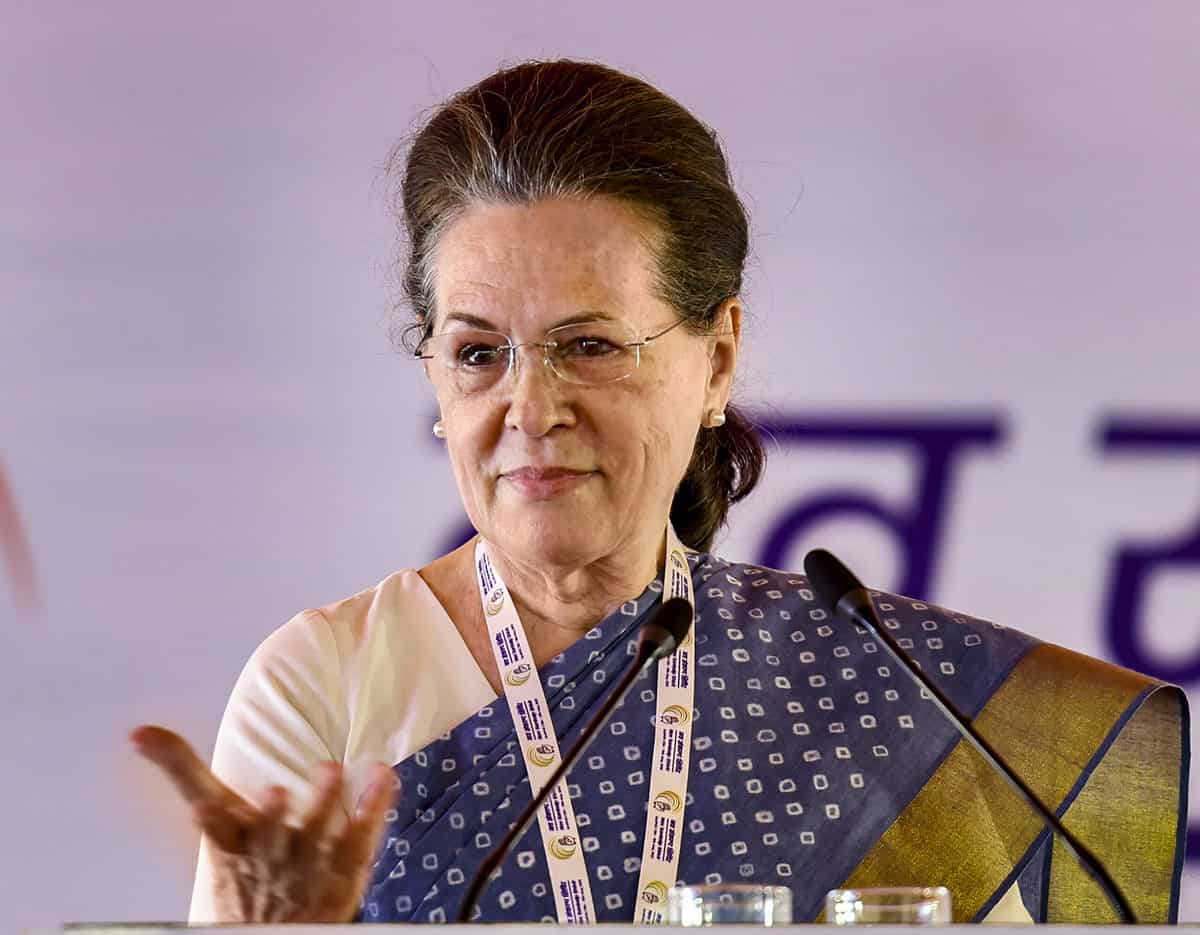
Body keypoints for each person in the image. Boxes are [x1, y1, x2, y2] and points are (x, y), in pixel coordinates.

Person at [132, 59, 1187, 925]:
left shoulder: (894, 697)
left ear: (717, 359)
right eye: (479, 352)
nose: (530, 407)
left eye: (588, 345)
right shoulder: (328, 683)